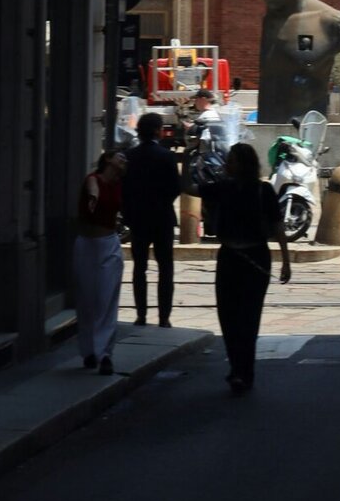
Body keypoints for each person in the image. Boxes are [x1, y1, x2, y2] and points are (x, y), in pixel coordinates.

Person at [199, 140, 291, 393]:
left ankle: (243, 372)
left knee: (248, 318)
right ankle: (237, 369)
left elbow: (277, 225)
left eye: (232, 159)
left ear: (243, 164)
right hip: (229, 256)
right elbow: (191, 188)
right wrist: (187, 156)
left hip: (254, 258)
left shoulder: (263, 191)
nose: (227, 163)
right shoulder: (223, 188)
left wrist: (286, 260)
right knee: (227, 316)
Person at [122, 110, 180, 327]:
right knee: (166, 268)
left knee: (139, 268)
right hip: (162, 217)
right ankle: (164, 317)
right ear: (158, 131)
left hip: (138, 218)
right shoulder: (166, 156)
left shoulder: (129, 156)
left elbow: (124, 189)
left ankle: (141, 315)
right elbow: (175, 187)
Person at [75, 149, 127, 372]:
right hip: (86, 244)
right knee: (86, 299)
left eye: (126, 160)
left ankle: (104, 353)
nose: (124, 160)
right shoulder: (93, 179)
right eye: (120, 157)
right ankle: (88, 351)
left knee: (107, 299)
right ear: (107, 159)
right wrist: (94, 198)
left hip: (108, 244)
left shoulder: (119, 186)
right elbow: (92, 189)